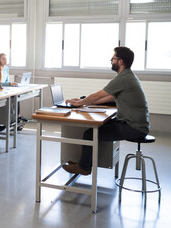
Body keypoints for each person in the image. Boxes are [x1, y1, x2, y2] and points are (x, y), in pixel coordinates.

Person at [62, 47, 149, 176]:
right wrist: (85, 101)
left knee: (90, 134)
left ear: (120, 62)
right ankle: (83, 164)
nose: (111, 61)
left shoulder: (123, 77)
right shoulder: (128, 76)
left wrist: (80, 103)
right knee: (97, 128)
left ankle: (84, 168)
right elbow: (109, 96)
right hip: (135, 124)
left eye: (113, 58)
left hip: (134, 127)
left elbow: (99, 94)